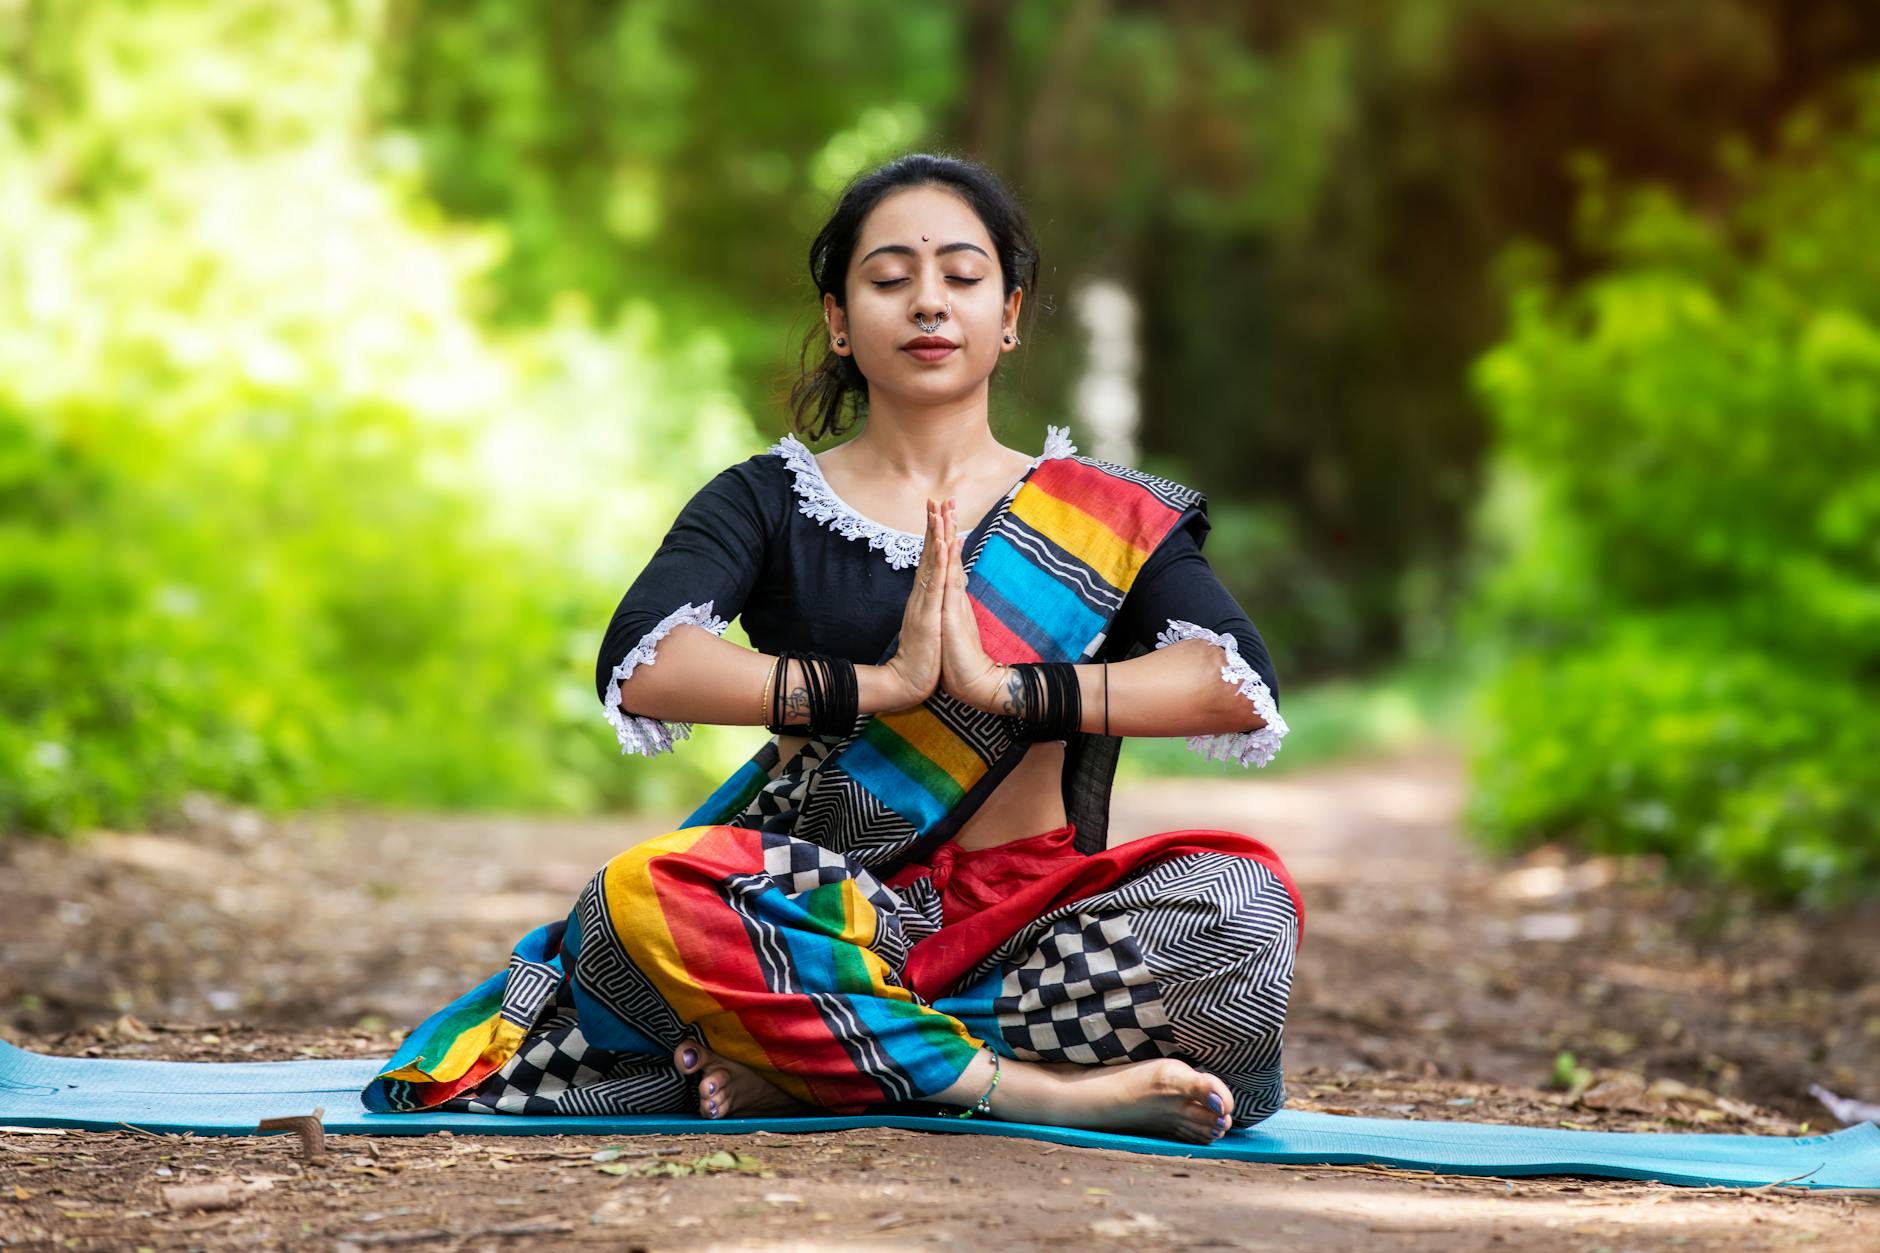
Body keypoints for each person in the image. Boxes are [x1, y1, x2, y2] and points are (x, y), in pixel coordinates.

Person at [363, 153, 1301, 1147]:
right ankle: (1025, 1089)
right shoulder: (768, 497)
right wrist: (880, 685)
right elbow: (646, 661)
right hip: (810, 907)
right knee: (645, 893)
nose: (928, 303)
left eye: (962, 276)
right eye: (891, 278)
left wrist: (1003, 688)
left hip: (1024, 930)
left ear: (1010, 312)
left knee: (1241, 912)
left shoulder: (1101, 512)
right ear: (840, 321)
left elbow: (1230, 684)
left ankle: (812, 1057)